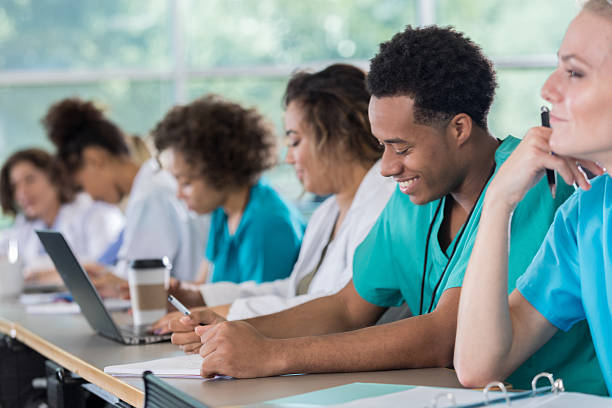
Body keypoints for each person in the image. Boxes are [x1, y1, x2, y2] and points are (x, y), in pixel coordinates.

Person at [163, 26, 604, 392]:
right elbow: (347, 307)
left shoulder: (534, 186)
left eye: (402, 147)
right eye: (382, 147)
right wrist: (231, 327)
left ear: (459, 129)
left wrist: (274, 354)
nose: (387, 168)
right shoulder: (414, 199)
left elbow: (443, 335)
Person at [152, 64, 394, 326]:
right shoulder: (329, 211)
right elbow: (295, 291)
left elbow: (338, 308)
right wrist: (198, 296)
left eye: (295, 141)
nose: (289, 158)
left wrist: (224, 315)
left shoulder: (383, 204)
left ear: (339, 134)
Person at [455, 0, 612, 396]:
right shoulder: (587, 214)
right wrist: (498, 201)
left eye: (574, 73)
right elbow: (479, 365)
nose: (547, 90)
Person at [150, 93, 305, 299]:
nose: (179, 194)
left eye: (186, 183)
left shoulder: (267, 223)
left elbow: (262, 313)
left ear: (221, 170)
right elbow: (200, 288)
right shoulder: (223, 211)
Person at [42, 98, 208, 283]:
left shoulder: (150, 196)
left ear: (95, 158)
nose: (91, 197)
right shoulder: (153, 184)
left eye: (82, 186)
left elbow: (143, 281)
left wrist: (106, 280)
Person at [0, 148, 123, 280]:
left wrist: (39, 277)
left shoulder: (95, 212)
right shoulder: (25, 225)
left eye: (30, 180)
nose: (22, 192)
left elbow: (102, 270)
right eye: (15, 186)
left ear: (54, 178)